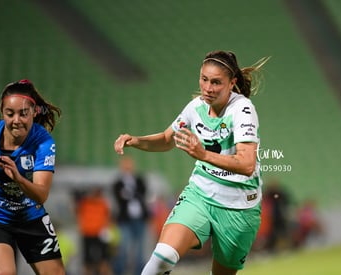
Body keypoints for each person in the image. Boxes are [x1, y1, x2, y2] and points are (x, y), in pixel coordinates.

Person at [114, 50, 269, 275]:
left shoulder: (242, 109)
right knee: (162, 258)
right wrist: (135, 140)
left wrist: (203, 154)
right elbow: (168, 139)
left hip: (239, 206)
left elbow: (247, 164)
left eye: (216, 82)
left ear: (232, 82)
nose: (207, 88)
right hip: (200, 196)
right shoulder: (196, 106)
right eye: (204, 79)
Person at [0, 79, 65, 274]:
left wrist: (18, 177)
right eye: (10, 114)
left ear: (34, 113)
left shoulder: (43, 142)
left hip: (31, 217)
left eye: (23, 114)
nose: (16, 120)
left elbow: (42, 195)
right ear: (2, 111)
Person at [112, 156, 150, 275]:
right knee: (123, 248)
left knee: (139, 249)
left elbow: (141, 194)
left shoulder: (139, 180)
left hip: (139, 219)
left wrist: (129, 193)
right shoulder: (118, 183)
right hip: (125, 220)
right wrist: (131, 194)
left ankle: (139, 272)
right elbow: (120, 199)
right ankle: (119, 271)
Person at [76, 186, 112, 275]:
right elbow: (77, 212)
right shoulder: (85, 202)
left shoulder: (103, 203)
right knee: (88, 259)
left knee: (103, 259)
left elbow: (107, 217)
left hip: (99, 233)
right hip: (88, 233)